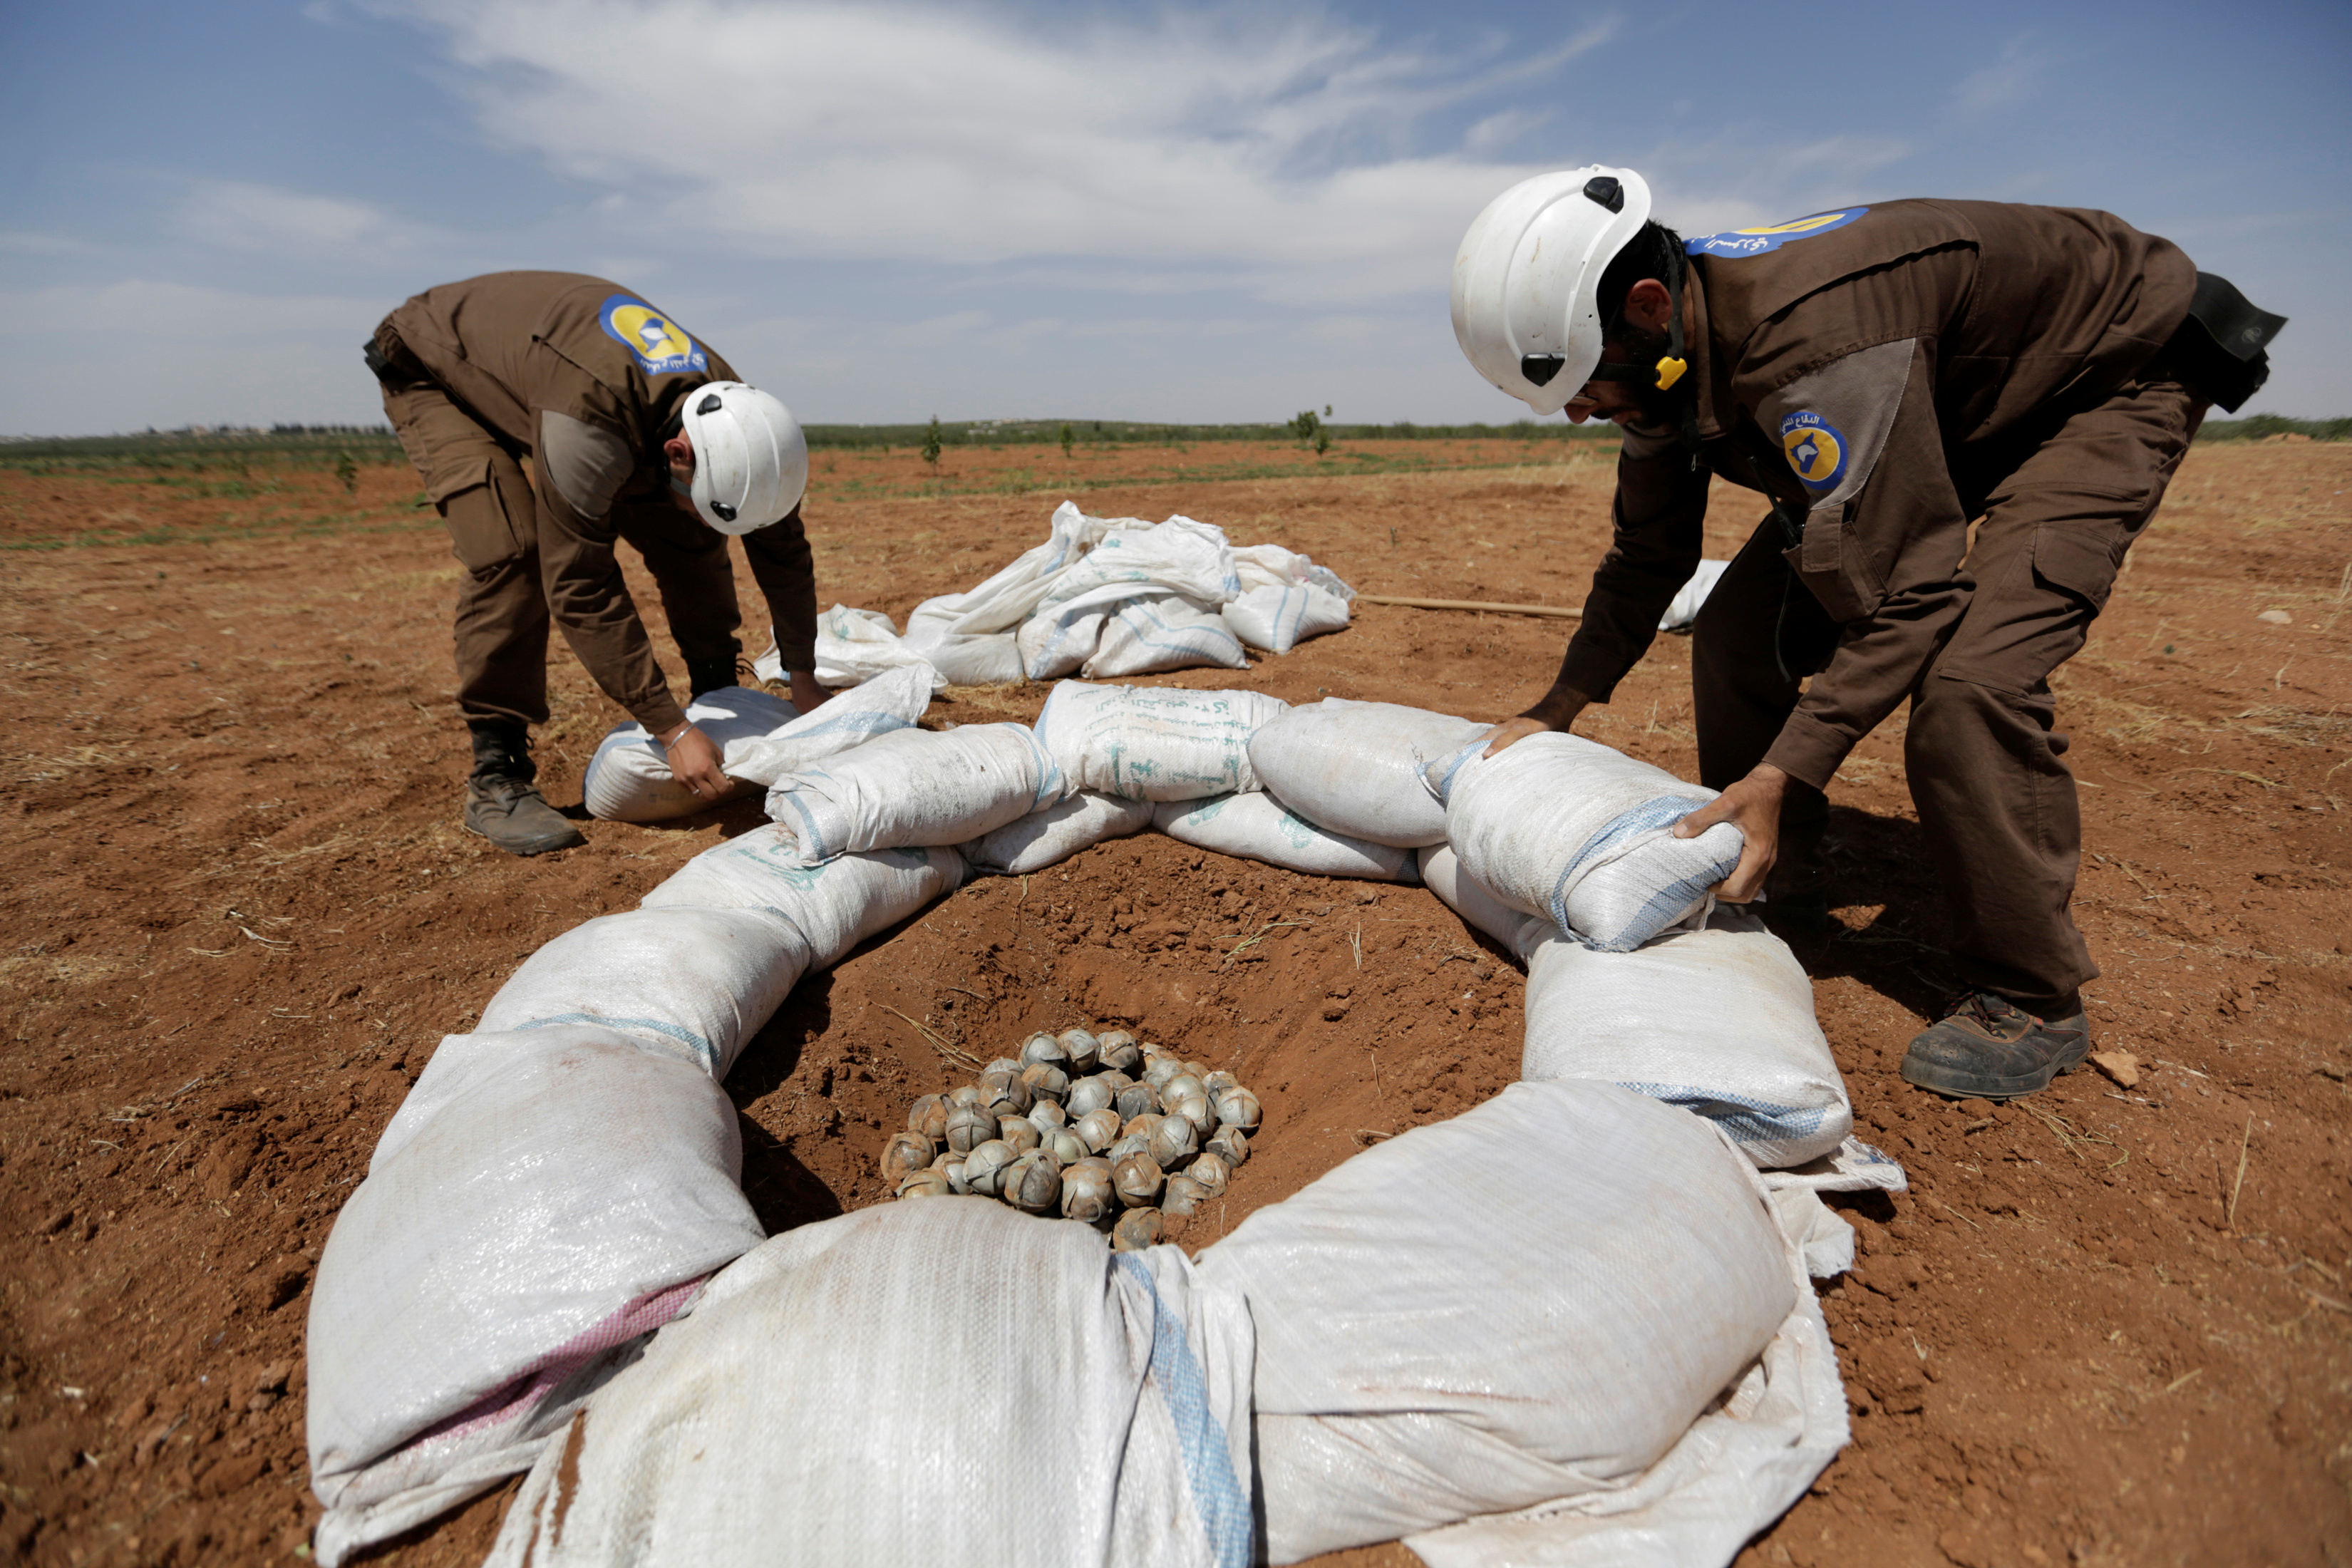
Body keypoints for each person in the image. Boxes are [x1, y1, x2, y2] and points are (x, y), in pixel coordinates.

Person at [1451, 167, 2284, 1101]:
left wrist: (1782, 770)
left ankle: (2032, 994)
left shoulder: (1810, 349)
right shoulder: (1663, 358)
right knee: (1735, 634)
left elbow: (1913, 595)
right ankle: (1780, 878)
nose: (1577, 410)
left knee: (1971, 684)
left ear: (1649, 305)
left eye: (1585, 382)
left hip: (2102, 379)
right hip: (1955, 398)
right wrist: (1558, 704)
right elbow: (1650, 552)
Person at [366, 272, 827, 856]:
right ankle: (496, 775)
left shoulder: (740, 424)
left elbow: (782, 548)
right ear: (677, 453)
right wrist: (670, 729)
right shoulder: (588, 433)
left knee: (690, 533)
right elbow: (581, 585)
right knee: (517, 553)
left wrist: (803, 673)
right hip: (434, 367)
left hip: (567, 380)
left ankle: (715, 691)